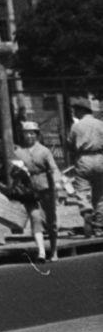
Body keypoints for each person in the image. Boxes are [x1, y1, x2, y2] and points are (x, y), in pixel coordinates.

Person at [8, 115, 63, 262]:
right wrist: (16, 171)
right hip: (29, 190)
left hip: (46, 188)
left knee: (51, 221)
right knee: (35, 218)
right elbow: (13, 173)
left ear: (37, 135)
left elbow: (53, 169)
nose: (30, 135)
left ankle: (54, 250)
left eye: (33, 133)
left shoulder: (44, 151)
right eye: (27, 133)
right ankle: (41, 252)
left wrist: (58, 184)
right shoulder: (19, 152)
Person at [67, 95, 103, 231]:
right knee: (100, 194)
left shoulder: (76, 127)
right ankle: (99, 225)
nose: (74, 112)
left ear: (81, 110)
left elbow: (70, 145)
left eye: (75, 110)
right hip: (100, 158)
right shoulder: (100, 124)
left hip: (84, 159)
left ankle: (86, 211)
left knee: (82, 190)